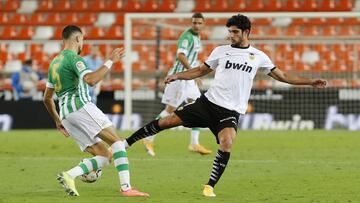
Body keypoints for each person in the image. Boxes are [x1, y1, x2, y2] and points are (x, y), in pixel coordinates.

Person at [124, 14, 327, 197]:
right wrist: (178, 75)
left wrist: (309, 82)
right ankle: (127, 143)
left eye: (235, 32)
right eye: (229, 31)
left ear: (246, 32)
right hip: (208, 103)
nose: (231, 35)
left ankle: (209, 186)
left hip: (230, 111)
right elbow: (200, 71)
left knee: (227, 142)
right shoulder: (220, 51)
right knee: (167, 121)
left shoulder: (258, 56)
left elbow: (282, 75)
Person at [43, 25, 149, 197]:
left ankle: (69, 175)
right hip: (81, 107)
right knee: (117, 143)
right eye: (82, 39)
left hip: (66, 115)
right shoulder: (74, 59)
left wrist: (57, 120)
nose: (82, 42)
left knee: (106, 155)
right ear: (78, 39)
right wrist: (110, 61)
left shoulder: (54, 63)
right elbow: (91, 80)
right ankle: (126, 188)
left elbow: (47, 98)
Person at [142, 12, 212, 157]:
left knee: (199, 105)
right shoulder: (186, 37)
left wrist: (194, 73)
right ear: (191, 23)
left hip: (189, 79)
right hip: (179, 79)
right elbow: (181, 56)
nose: (197, 25)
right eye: (194, 23)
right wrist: (193, 72)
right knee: (169, 111)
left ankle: (194, 143)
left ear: (203, 24)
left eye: (199, 23)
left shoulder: (197, 37)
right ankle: (148, 138)